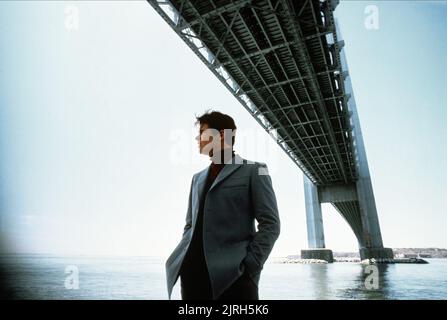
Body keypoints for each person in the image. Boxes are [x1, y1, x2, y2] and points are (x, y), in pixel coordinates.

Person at [165, 110, 280, 300]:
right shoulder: (197, 179)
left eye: (202, 132)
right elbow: (189, 225)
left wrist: (250, 267)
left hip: (235, 280)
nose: (197, 138)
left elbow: (271, 224)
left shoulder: (257, 170)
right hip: (192, 278)